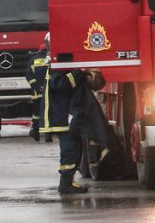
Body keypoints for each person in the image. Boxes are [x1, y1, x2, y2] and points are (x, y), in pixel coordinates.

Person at [41, 48, 109, 195]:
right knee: (70, 150)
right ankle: (65, 185)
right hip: (62, 117)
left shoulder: (61, 65)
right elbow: (59, 84)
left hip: (66, 115)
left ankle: (69, 182)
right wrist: (80, 71)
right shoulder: (57, 67)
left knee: (75, 148)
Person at [25, 34, 52, 142]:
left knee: (36, 114)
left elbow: (28, 75)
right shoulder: (50, 59)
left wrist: (36, 87)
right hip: (49, 92)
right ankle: (48, 136)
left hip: (37, 93)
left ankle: (35, 134)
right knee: (48, 113)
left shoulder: (33, 60)